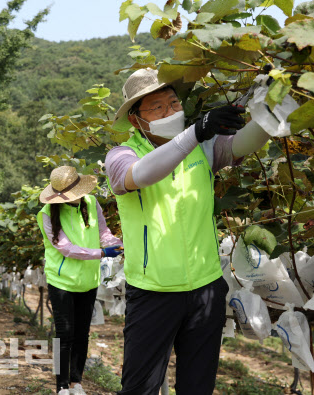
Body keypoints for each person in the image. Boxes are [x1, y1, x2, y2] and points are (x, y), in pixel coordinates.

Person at [106, 68, 291, 394]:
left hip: (205, 289)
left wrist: (273, 104)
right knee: (139, 388)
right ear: (136, 121)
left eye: (173, 103)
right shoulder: (122, 155)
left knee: (198, 387)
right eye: (157, 107)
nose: (170, 111)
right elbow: (141, 174)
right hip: (153, 292)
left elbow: (242, 143)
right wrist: (196, 130)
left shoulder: (202, 149)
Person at [36, 166, 123, 395]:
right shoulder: (47, 213)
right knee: (64, 334)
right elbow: (66, 249)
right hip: (61, 281)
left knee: (82, 333)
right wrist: (102, 254)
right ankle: (61, 385)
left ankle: (76, 382)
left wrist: (117, 244)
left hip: (88, 280)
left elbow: (103, 233)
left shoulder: (91, 203)